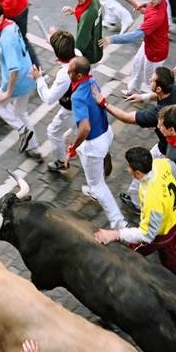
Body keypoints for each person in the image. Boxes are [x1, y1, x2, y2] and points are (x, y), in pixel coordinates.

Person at [94, 146, 176, 306]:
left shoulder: (152, 197)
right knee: (171, 262)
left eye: (129, 168)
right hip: (174, 221)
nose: (127, 169)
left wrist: (116, 234)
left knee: (126, 257)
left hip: (161, 233)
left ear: (138, 173)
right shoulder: (161, 164)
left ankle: (115, 300)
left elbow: (147, 235)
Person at [99, 67, 176, 221]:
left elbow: (126, 117)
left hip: (170, 146)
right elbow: (160, 95)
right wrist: (145, 97)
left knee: (151, 169)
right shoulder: (175, 88)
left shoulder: (157, 114)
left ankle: (136, 202)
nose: (150, 80)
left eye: (152, 80)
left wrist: (103, 103)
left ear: (159, 88)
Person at [65, 56, 125, 229]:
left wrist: (72, 148)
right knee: (93, 169)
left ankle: (118, 222)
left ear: (77, 76)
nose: (67, 72)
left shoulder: (77, 97)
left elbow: (84, 128)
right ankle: (96, 179)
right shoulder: (91, 79)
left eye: (70, 70)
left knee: (98, 185)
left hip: (94, 143)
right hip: (106, 132)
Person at [0, 1, 41, 158]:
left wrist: (8, 92)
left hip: (18, 81)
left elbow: (13, 69)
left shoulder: (5, 40)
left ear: (1, 17)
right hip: (28, 74)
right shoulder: (11, 24)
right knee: (20, 112)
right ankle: (34, 147)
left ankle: (22, 130)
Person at [100, 0, 168, 98]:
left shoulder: (156, 17)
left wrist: (112, 39)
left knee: (151, 81)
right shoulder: (161, 1)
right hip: (148, 44)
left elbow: (135, 36)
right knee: (137, 65)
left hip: (156, 52)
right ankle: (133, 90)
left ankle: (154, 101)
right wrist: (145, 6)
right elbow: (150, 8)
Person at [30, 29, 75, 172]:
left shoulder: (64, 75)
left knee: (53, 132)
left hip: (71, 109)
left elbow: (49, 98)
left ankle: (60, 161)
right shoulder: (78, 53)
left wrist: (39, 79)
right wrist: (53, 40)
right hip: (83, 103)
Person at [60, 0, 102, 65]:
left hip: (87, 56)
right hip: (96, 49)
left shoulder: (88, 15)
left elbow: (80, 43)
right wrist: (75, 11)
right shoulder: (95, 0)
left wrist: (70, 61)